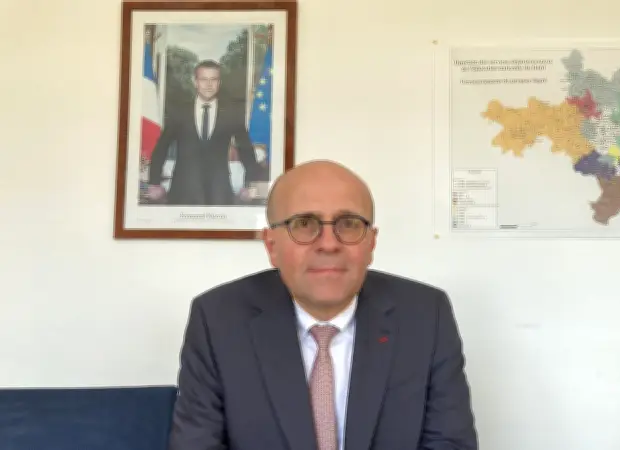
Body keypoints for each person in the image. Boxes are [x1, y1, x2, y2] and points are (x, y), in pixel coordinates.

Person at [168, 160, 478, 450]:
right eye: (304, 223)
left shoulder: (426, 317)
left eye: (349, 223)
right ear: (271, 245)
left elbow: (449, 444)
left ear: (371, 243)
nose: (329, 244)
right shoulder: (218, 320)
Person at [147, 59, 263, 206]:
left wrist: (251, 184)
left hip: (219, 193)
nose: (209, 85)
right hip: (182, 191)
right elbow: (161, 147)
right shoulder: (179, 111)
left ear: (219, 83)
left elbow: (246, 149)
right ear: (195, 82)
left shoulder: (232, 113)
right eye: (203, 79)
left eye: (213, 79)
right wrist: (154, 182)